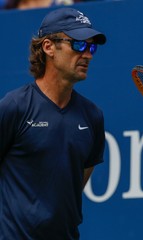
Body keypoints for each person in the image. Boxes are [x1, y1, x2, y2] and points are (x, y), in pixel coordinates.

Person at [0, 7, 106, 239]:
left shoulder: (92, 117)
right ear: (48, 47)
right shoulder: (13, 107)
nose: (87, 54)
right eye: (78, 44)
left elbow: (74, 186)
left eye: (91, 47)